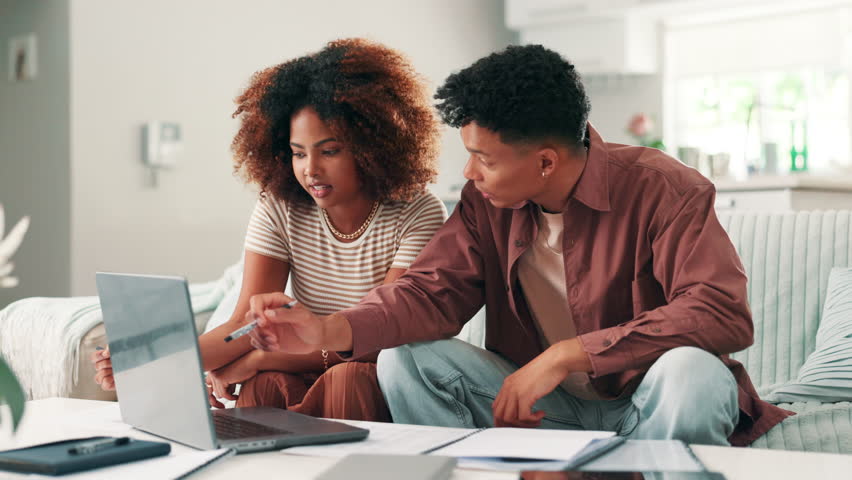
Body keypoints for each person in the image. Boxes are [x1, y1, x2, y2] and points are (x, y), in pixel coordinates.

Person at [245, 44, 794, 446]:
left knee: (694, 372)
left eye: (483, 157)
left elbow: (720, 313)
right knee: (405, 362)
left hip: (649, 405)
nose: (469, 171)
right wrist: (327, 329)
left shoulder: (663, 188)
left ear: (546, 161)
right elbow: (428, 294)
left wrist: (569, 354)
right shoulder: (484, 203)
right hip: (539, 412)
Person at [92, 38, 446, 421]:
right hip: (302, 364)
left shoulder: (418, 211)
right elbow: (244, 323)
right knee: (263, 384)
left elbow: (384, 337)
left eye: (329, 151)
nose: (310, 168)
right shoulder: (281, 204)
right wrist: (150, 361)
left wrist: (258, 358)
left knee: (347, 379)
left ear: (372, 147)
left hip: (370, 372)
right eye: (298, 153)